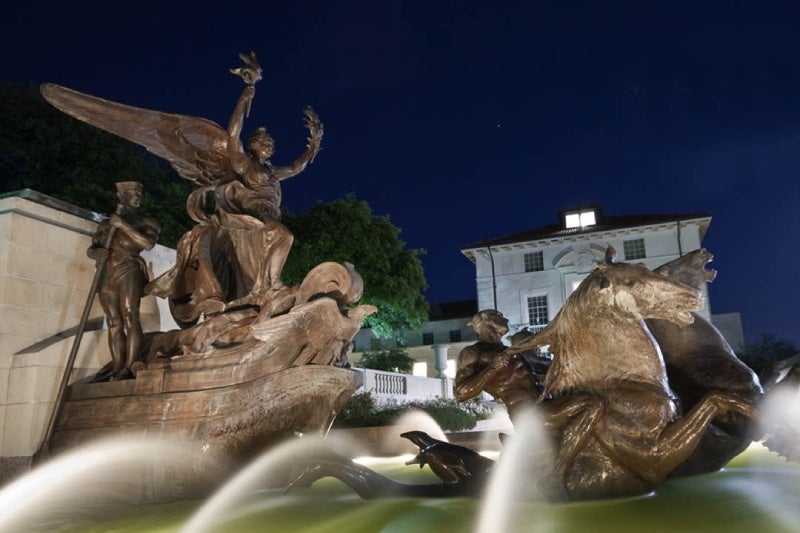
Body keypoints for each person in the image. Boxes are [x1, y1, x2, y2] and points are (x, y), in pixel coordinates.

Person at [87, 181, 160, 380]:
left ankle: (130, 365)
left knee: (130, 315)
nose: (137, 196)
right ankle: (116, 365)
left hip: (129, 269)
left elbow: (147, 243)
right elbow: (92, 248)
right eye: (132, 193)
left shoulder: (146, 221)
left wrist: (123, 225)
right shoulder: (106, 224)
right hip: (107, 273)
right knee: (113, 321)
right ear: (121, 196)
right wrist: (96, 252)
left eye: (138, 193)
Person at [455, 310, 545, 422]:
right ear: (485, 317)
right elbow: (460, 394)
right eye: (500, 315)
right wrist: (492, 368)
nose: (506, 320)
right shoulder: (473, 352)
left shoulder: (509, 350)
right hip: (526, 414)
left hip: (544, 403)